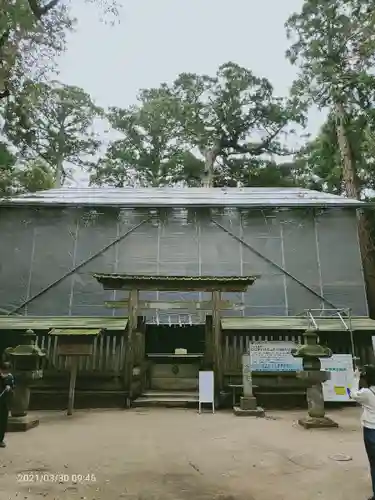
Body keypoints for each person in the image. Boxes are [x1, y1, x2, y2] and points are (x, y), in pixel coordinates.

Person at [349, 365, 375, 500]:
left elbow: (352, 394)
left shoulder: (366, 393)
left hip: (371, 430)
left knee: (374, 462)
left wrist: (355, 378)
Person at [0, 361, 14, 448]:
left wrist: (10, 388)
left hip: (4, 403)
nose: (5, 374)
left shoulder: (9, 377)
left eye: (7, 372)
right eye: (3, 371)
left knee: (2, 422)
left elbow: (12, 389)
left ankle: (0, 440)